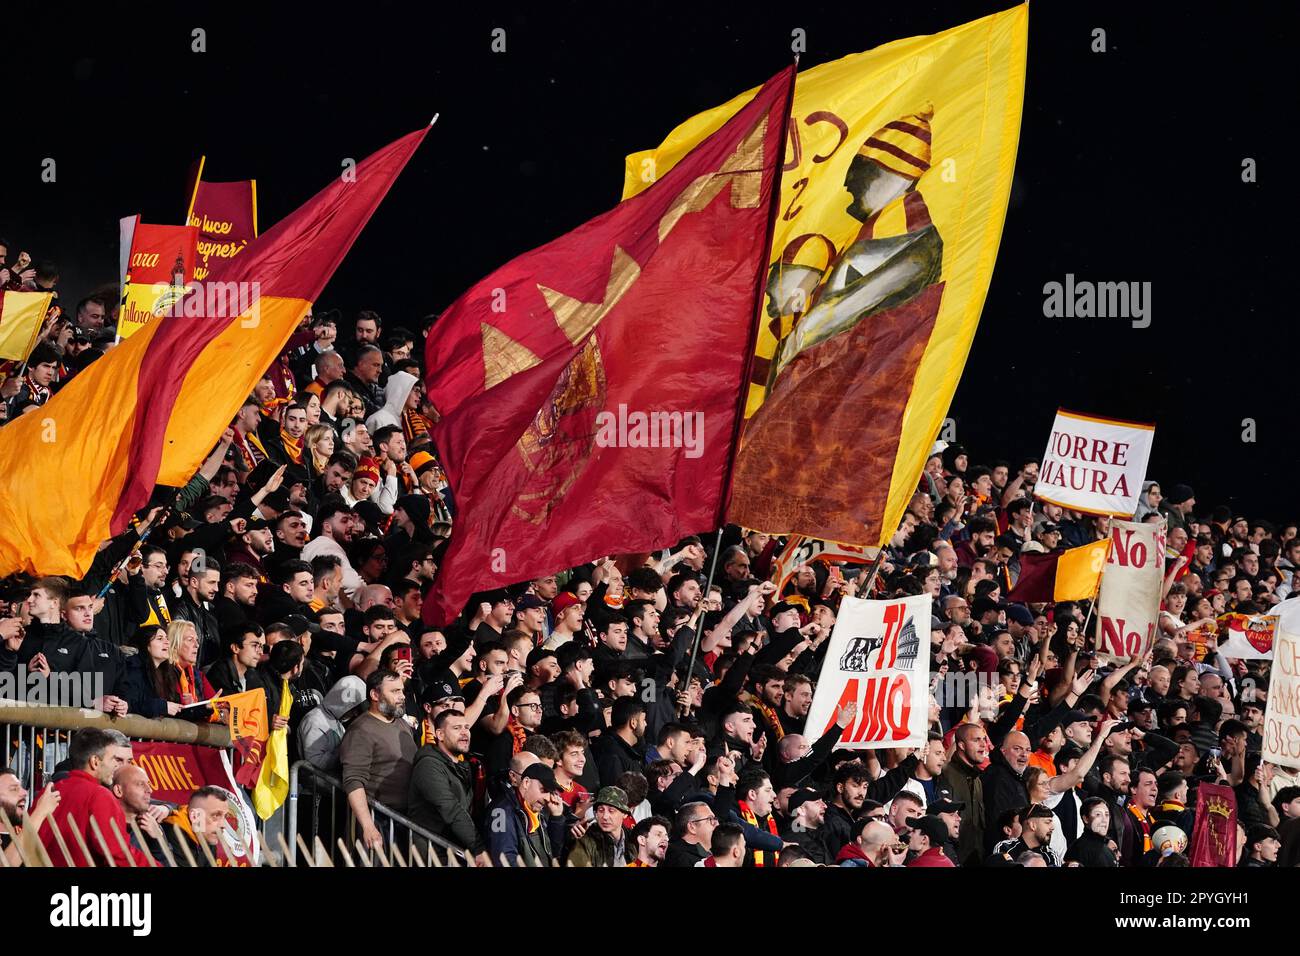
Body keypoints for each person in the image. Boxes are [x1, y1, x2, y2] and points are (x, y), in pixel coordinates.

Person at [39, 729, 152, 867]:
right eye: (113, 759)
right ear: (95, 762)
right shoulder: (100, 795)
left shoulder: (48, 792)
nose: (116, 767)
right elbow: (118, 855)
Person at [338, 669, 418, 849]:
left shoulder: (401, 724)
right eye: (395, 691)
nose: (402, 696)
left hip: (404, 820)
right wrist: (368, 826)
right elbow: (353, 781)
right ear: (375, 694)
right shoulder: (360, 730)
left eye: (402, 690)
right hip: (378, 820)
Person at [407, 709, 487, 864]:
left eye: (466, 727)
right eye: (457, 728)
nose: (465, 733)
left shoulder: (466, 766)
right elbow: (451, 808)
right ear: (440, 735)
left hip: (456, 851)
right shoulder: (428, 765)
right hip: (433, 854)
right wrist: (479, 848)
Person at [484, 758, 567, 866]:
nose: (547, 798)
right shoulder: (501, 812)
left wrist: (556, 818)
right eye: (543, 790)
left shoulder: (536, 810)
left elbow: (553, 855)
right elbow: (505, 861)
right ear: (526, 782)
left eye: (550, 792)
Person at [566, 785, 630, 867]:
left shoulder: (634, 839)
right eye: (601, 810)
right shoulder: (586, 841)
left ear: (625, 814)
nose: (605, 816)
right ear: (595, 813)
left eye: (611, 811)